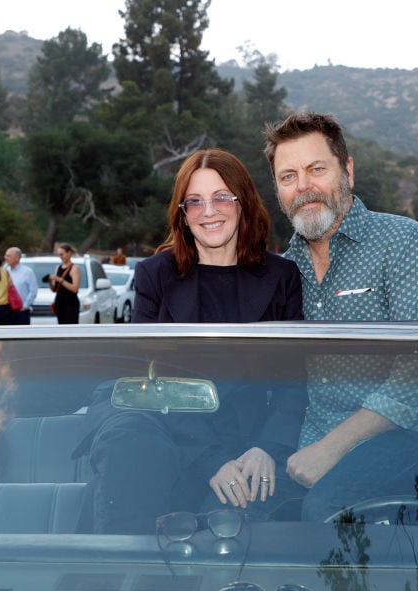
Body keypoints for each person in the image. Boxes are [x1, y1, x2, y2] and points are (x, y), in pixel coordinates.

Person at [83, 148, 304, 533]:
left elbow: (295, 379)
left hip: (247, 444)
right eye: (195, 201)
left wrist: (268, 448)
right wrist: (208, 460)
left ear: (243, 202)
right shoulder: (155, 276)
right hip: (168, 438)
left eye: (221, 197)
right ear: (182, 213)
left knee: (229, 532)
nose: (209, 211)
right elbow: (149, 381)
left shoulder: (282, 277)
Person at [263, 111, 418, 521]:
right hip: (313, 441)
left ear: (348, 171)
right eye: (288, 177)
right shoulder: (285, 271)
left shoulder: (403, 242)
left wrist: (332, 448)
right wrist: (261, 450)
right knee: (244, 511)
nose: (303, 187)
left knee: (327, 511)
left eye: (316, 169)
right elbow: (277, 380)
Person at [48, 243, 81, 324]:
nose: (61, 257)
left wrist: (60, 280)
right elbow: (55, 289)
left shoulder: (74, 268)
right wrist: (50, 281)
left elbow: (75, 288)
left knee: (70, 325)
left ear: (69, 253)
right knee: (61, 326)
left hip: (70, 303)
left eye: (62, 254)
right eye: (59, 255)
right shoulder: (58, 268)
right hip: (60, 302)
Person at [4, 247, 37, 325]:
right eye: (5, 256)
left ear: (17, 258)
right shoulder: (5, 271)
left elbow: (33, 291)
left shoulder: (27, 272)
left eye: (8, 256)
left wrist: (25, 306)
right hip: (7, 310)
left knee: (22, 335)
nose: (6, 258)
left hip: (21, 311)